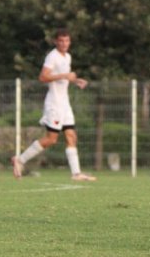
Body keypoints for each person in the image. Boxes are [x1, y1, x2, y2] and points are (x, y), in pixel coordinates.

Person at [10, 28, 97, 182]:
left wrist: (75, 80)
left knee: (71, 136)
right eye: (61, 41)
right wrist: (64, 75)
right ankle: (20, 159)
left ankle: (76, 174)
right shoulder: (52, 56)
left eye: (67, 41)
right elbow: (43, 77)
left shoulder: (67, 57)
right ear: (56, 42)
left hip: (65, 104)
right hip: (54, 104)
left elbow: (64, 79)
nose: (64, 44)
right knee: (51, 139)